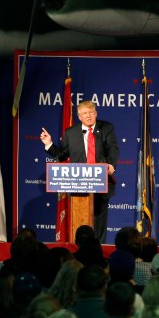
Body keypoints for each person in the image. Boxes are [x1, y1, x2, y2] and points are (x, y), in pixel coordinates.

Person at [40, 100, 119, 242]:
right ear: (79, 116)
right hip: (78, 184)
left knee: (99, 221)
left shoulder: (106, 128)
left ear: (95, 113)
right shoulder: (71, 133)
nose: (88, 116)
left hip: (101, 182)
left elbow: (112, 149)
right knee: (80, 220)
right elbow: (62, 155)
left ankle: (98, 250)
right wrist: (49, 144)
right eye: (84, 113)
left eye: (90, 112)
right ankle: (79, 250)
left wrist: (111, 165)